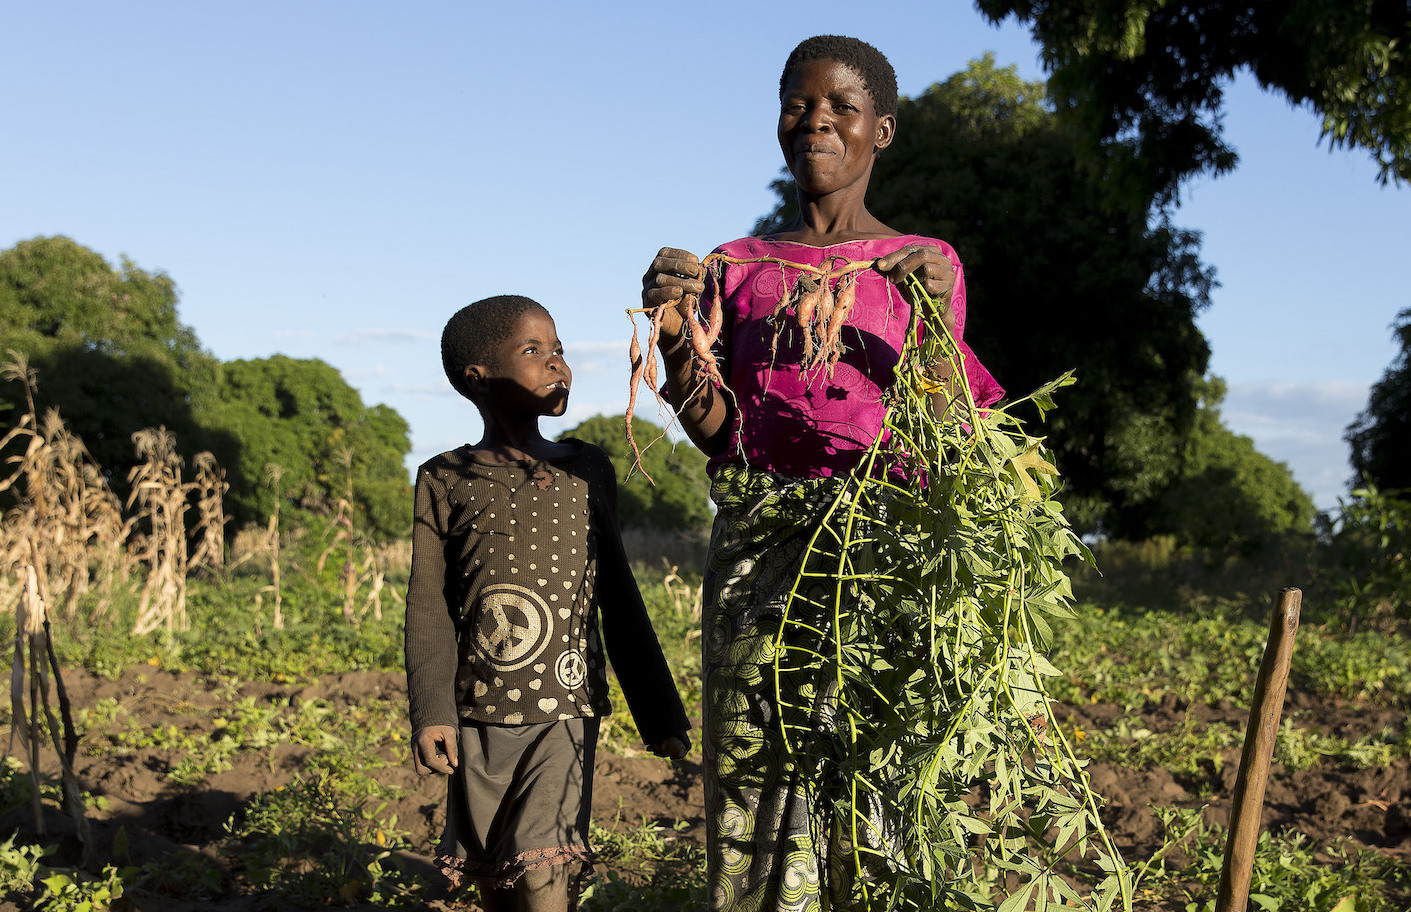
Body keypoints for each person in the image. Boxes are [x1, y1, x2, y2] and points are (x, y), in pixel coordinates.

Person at [640, 35, 1004, 912]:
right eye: (797, 102)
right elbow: (720, 435)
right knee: (758, 761)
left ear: (880, 130)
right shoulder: (737, 265)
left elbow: (946, 427)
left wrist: (928, 326)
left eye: (841, 105)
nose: (816, 119)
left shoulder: (924, 262)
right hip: (759, 545)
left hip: (880, 545)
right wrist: (677, 336)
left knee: (876, 761)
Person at [405, 294, 691, 912]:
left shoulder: (586, 469)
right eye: (533, 351)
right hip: (476, 710)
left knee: (542, 868)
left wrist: (659, 712)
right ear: (476, 377)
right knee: (495, 876)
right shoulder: (445, 478)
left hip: (565, 706)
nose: (556, 363)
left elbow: (618, 591)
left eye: (559, 349)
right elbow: (427, 603)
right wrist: (431, 713)